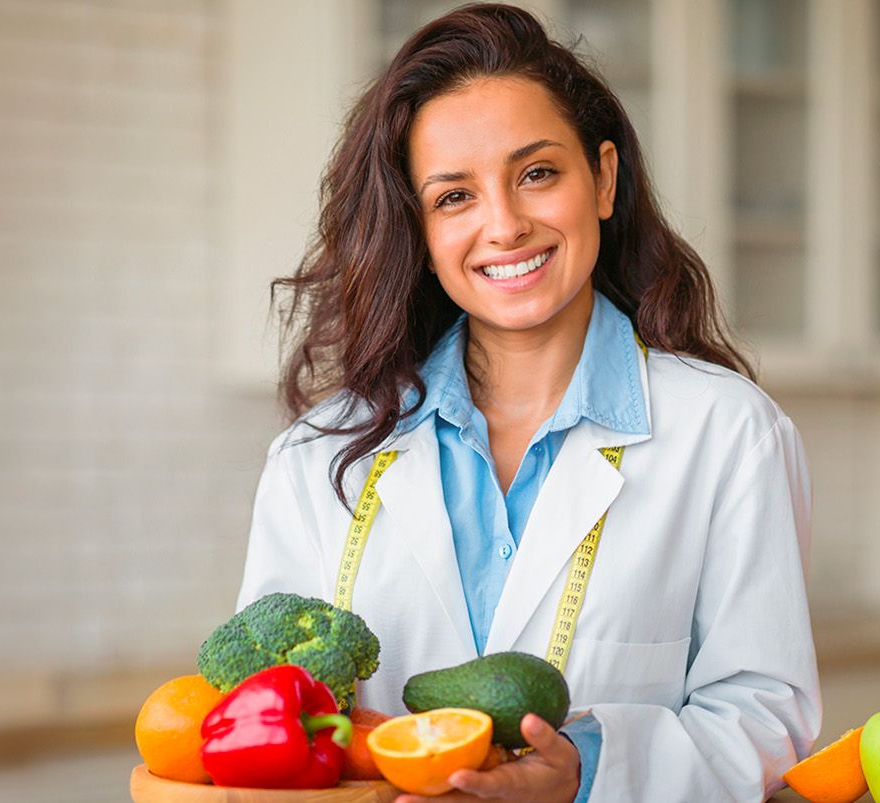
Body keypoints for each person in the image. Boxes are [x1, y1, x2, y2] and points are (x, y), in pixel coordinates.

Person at [235, 4, 821, 801]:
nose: (505, 225)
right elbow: (263, 717)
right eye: (454, 197)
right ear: (420, 229)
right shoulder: (317, 453)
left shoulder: (727, 433)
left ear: (603, 179)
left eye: (536, 173)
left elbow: (764, 713)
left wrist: (586, 768)